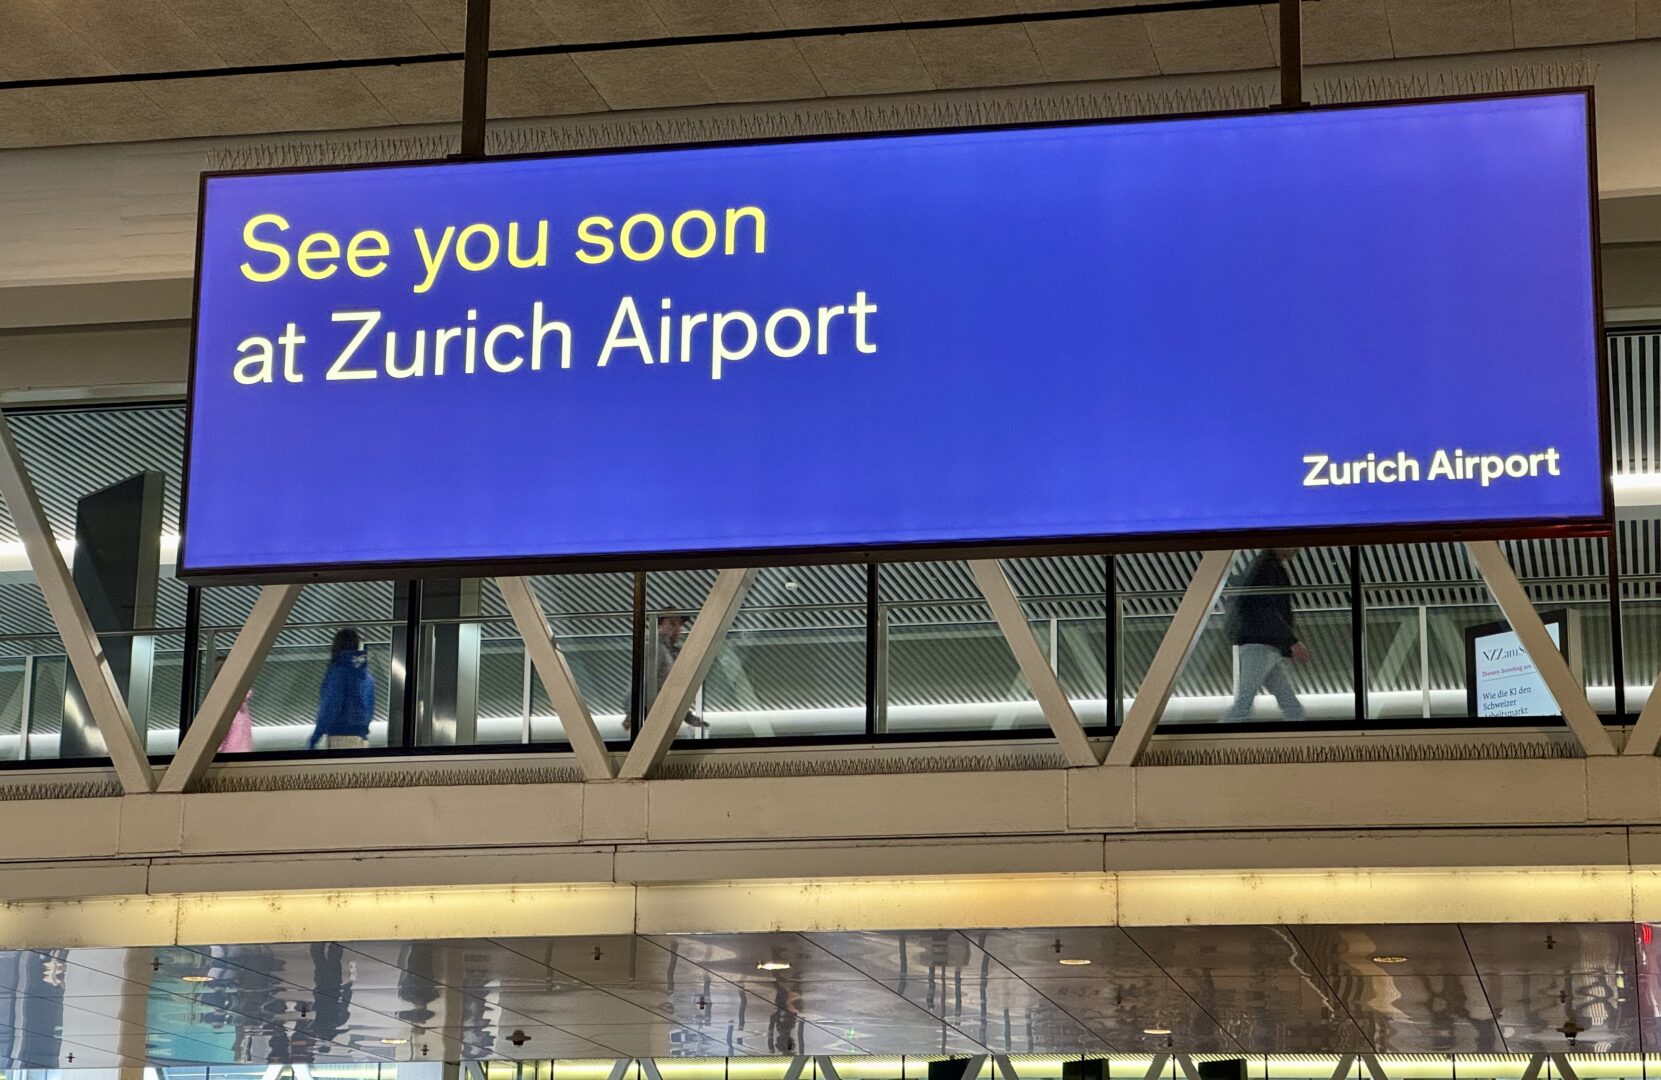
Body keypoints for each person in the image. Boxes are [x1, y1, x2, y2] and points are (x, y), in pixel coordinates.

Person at [1224, 548, 1310, 721]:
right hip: (1260, 644)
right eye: (1294, 543)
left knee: (1292, 707)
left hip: (1263, 644)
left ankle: (1297, 742)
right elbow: (1266, 607)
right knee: (1244, 705)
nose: (1297, 549)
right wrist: (1291, 642)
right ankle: (1219, 744)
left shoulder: (1263, 565)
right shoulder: (1268, 567)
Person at [622, 614, 709, 735]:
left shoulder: (671, 652)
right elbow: (642, 681)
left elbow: (671, 690)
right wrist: (633, 713)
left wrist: (687, 716)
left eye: (680, 625)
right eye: (673, 624)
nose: (678, 628)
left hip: (659, 713)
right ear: (660, 625)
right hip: (650, 713)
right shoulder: (655, 648)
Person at [307, 628, 375, 750]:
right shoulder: (366, 676)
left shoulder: (337, 672)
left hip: (339, 739)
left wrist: (315, 738)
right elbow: (369, 712)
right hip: (361, 740)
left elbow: (329, 707)